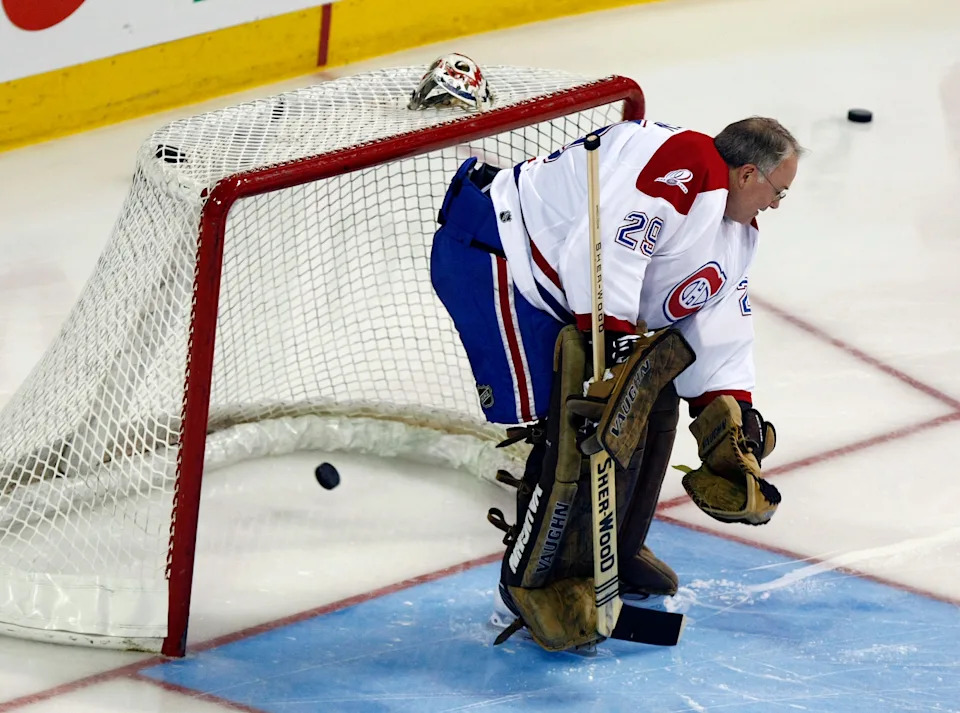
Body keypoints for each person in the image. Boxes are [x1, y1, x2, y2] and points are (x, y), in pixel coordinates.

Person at [428, 68, 801, 650]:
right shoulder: (691, 163)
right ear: (748, 172)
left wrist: (730, 416)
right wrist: (614, 344)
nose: (777, 205)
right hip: (500, 254)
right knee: (574, 421)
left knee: (648, 396)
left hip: (564, 290)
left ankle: (614, 553)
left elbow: (716, 318)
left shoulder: (737, 230)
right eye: (778, 191)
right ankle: (538, 583)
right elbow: (607, 250)